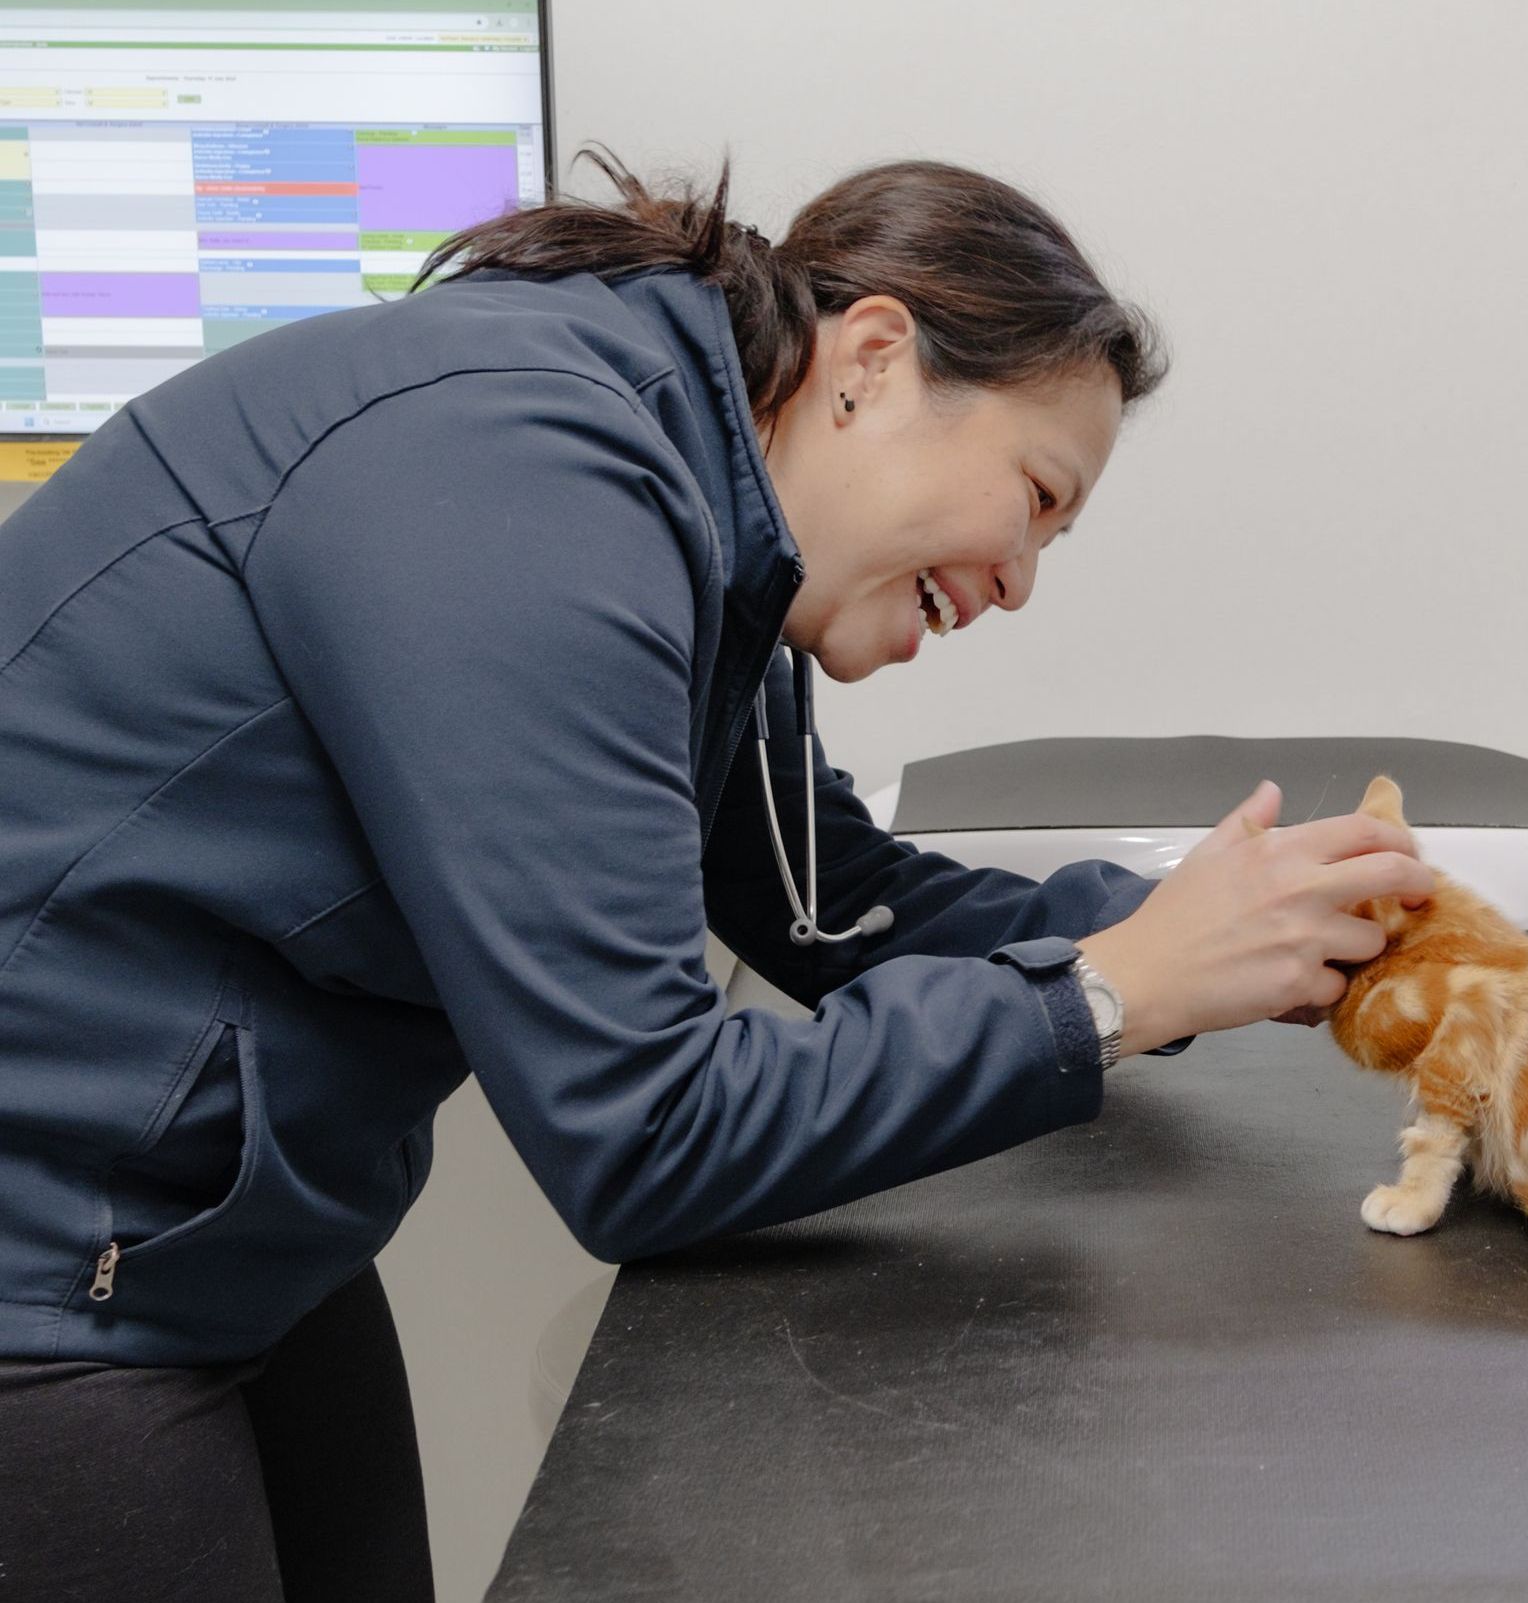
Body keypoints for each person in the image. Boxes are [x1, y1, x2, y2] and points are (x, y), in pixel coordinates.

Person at [0, 154, 1432, 1602]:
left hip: (224, 1235)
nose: (1019, 581)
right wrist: (1108, 992)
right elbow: (645, 1134)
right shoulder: (524, 472)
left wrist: (1231, 942)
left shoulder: (693, 512)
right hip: (45, 1263)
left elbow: (829, 902)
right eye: (1035, 498)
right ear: (871, 359)